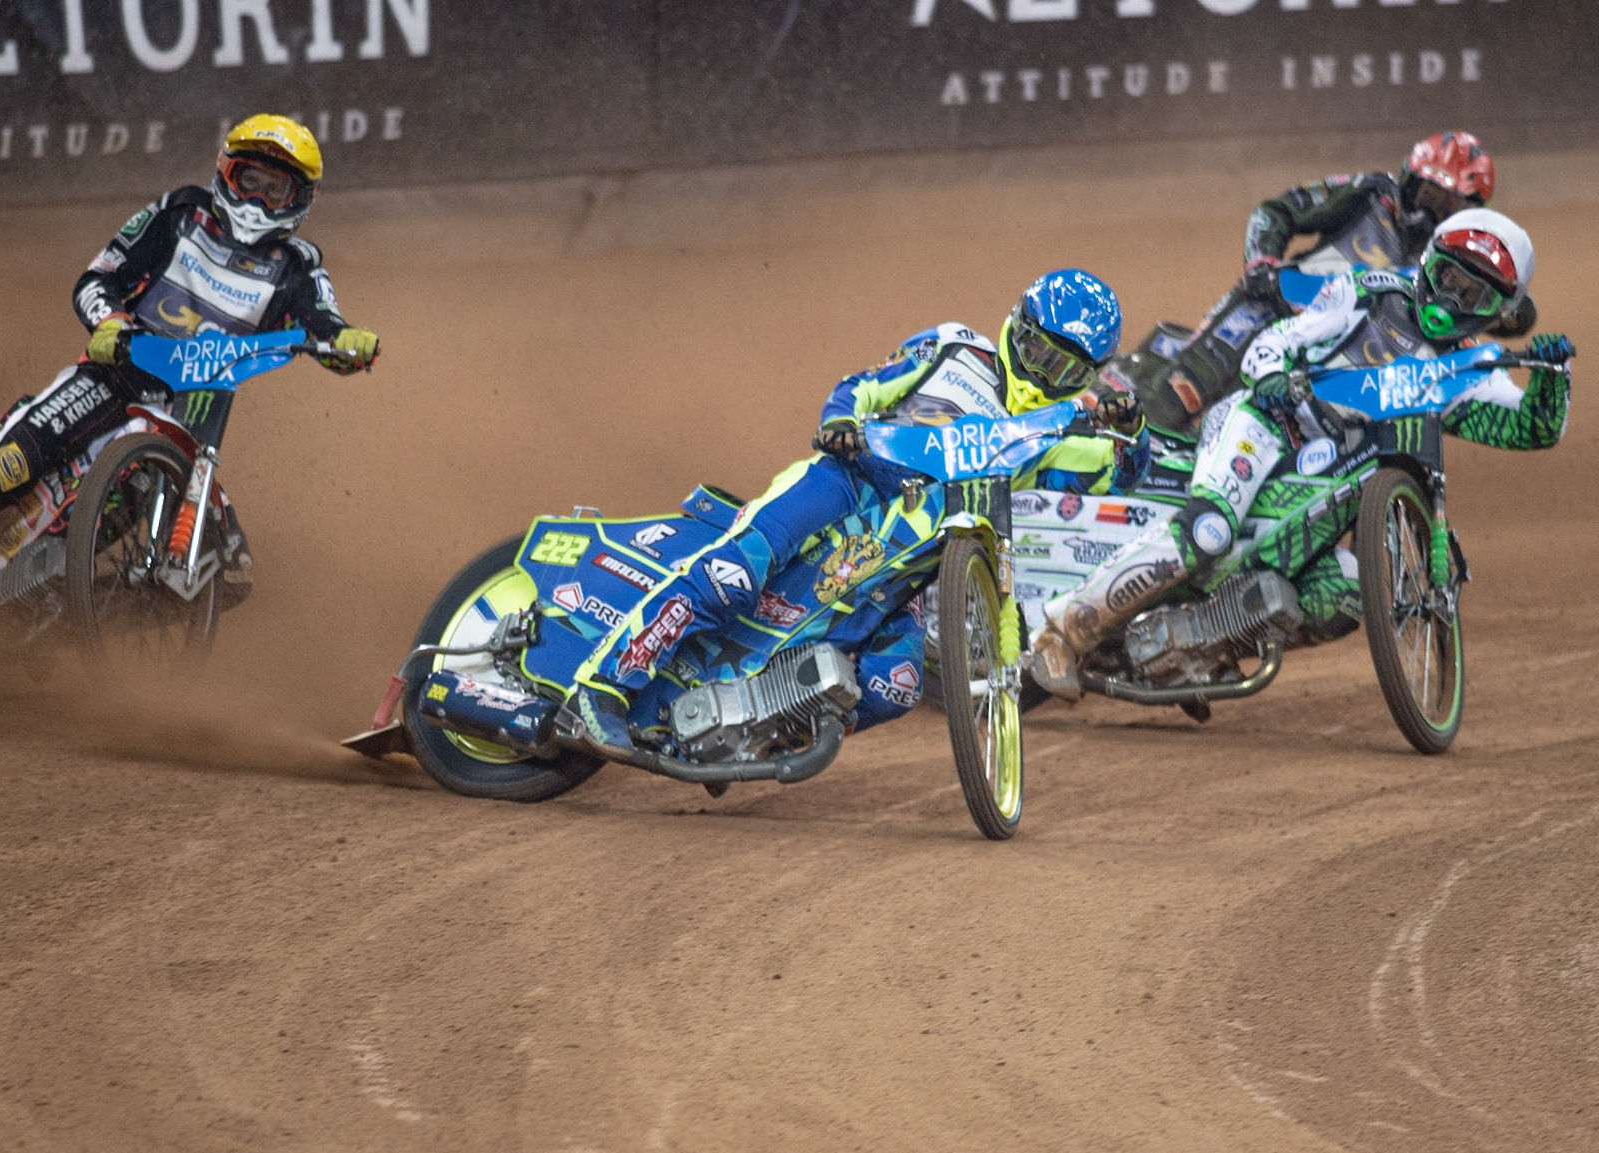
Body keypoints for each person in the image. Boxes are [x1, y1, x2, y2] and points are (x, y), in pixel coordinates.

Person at [563, 269, 1150, 757]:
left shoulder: (1055, 430)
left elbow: (1120, 471)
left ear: (1088, 377)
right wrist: (842, 421)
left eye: (1067, 370)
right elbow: (864, 386)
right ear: (1016, 328)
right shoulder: (955, 347)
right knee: (733, 576)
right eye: (1040, 353)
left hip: (915, 558)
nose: (1045, 376)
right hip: (851, 484)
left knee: (896, 685)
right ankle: (602, 688)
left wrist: (1134, 428)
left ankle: (754, 734)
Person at [0, 113, 379, 634]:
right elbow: (98, 279)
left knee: (230, 573)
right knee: (4, 469)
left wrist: (346, 343)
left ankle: (68, 616)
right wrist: (111, 321)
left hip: (184, 415)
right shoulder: (181, 214)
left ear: (299, 201)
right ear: (225, 172)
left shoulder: (298, 265)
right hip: (112, 376)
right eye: (250, 178)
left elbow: (323, 324)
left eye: (275, 188)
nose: (258, 197)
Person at [1030, 209, 1574, 699]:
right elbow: (1281, 339)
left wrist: (1555, 380)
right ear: (1429, 263)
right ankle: (1060, 635)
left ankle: (1189, 650)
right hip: (1269, 424)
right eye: (1450, 279)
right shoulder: (1371, 292)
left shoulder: (1472, 368)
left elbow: (1532, 428)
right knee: (1209, 531)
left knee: (1343, 592)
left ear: (1500, 311)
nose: (1454, 301)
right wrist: (1268, 376)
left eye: (1475, 297)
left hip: (1333, 477)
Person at [1132, 130, 1507, 445]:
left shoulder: (1453, 262)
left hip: (1338, 351)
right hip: (1273, 308)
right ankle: (1121, 450)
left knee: (1265, 439)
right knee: (1181, 396)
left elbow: (1514, 303)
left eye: (1449, 206)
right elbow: (1276, 212)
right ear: (1410, 179)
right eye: (1430, 195)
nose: (1432, 212)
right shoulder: (1372, 194)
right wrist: (1263, 264)